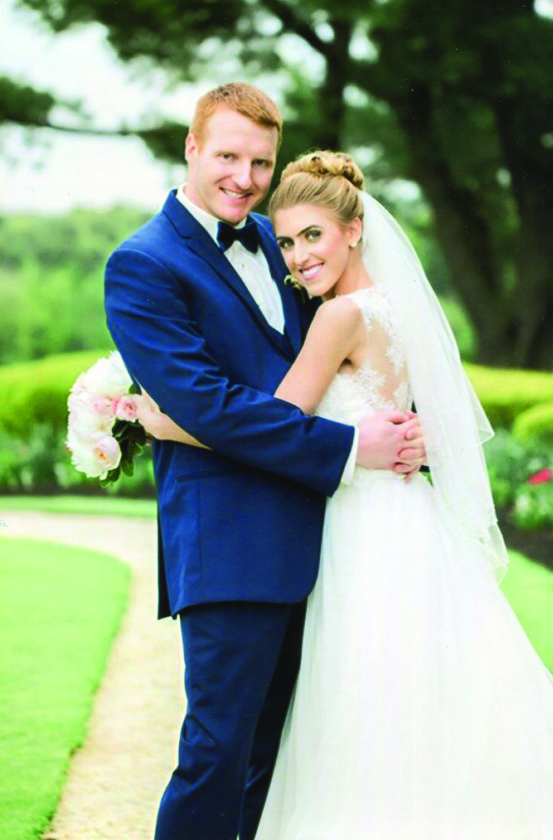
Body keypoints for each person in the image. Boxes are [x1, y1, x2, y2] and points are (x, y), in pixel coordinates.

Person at [145, 150, 553, 838]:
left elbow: (274, 423)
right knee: (423, 697)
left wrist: (167, 423)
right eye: (286, 242)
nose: (298, 257)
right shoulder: (395, 307)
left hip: (362, 528)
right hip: (411, 519)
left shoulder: (337, 318)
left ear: (354, 229)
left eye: (313, 236)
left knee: (361, 698)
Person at [104, 85, 425, 840]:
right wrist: (353, 446)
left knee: (286, 760)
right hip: (232, 543)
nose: (244, 179)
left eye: (259, 163)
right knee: (218, 750)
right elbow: (208, 404)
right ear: (191, 148)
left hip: (335, 540)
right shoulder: (143, 264)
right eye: (227, 156)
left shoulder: (287, 244)